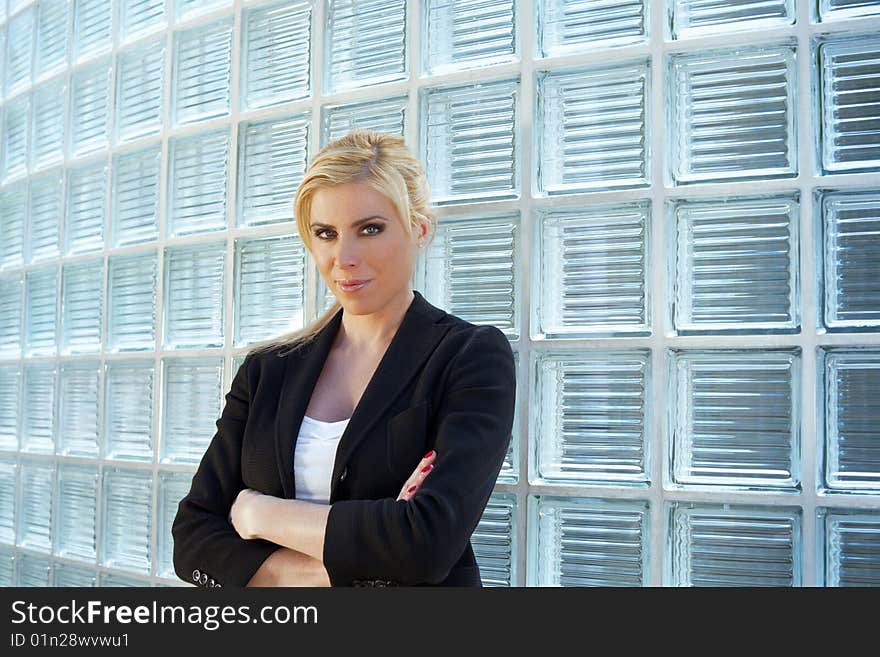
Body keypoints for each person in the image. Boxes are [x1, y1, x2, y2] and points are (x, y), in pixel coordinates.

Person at [171, 129, 516, 587]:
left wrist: (258, 512)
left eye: (369, 229)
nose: (343, 257)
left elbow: (426, 544)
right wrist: (334, 574)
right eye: (325, 234)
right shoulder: (267, 370)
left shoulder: (470, 357)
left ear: (420, 228)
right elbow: (193, 538)